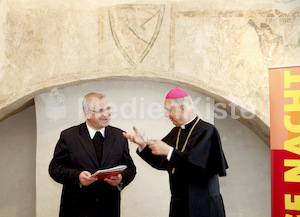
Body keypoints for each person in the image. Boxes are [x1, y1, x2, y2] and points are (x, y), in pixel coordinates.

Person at [123, 87, 228, 217]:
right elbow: (160, 162)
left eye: (169, 110)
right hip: (179, 205)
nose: (166, 115)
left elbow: (199, 167)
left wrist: (169, 151)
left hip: (204, 205)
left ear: (182, 108)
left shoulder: (207, 131)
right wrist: (142, 144)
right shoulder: (175, 132)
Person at [49, 92, 136, 217]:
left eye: (108, 108)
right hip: (76, 209)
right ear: (87, 113)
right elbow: (55, 169)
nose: (106, 114)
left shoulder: (119, 136)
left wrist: (121, 178)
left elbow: (131, 168)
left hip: (108, 209)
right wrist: (77, 176)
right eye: (101, 110)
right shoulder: (69, 136)